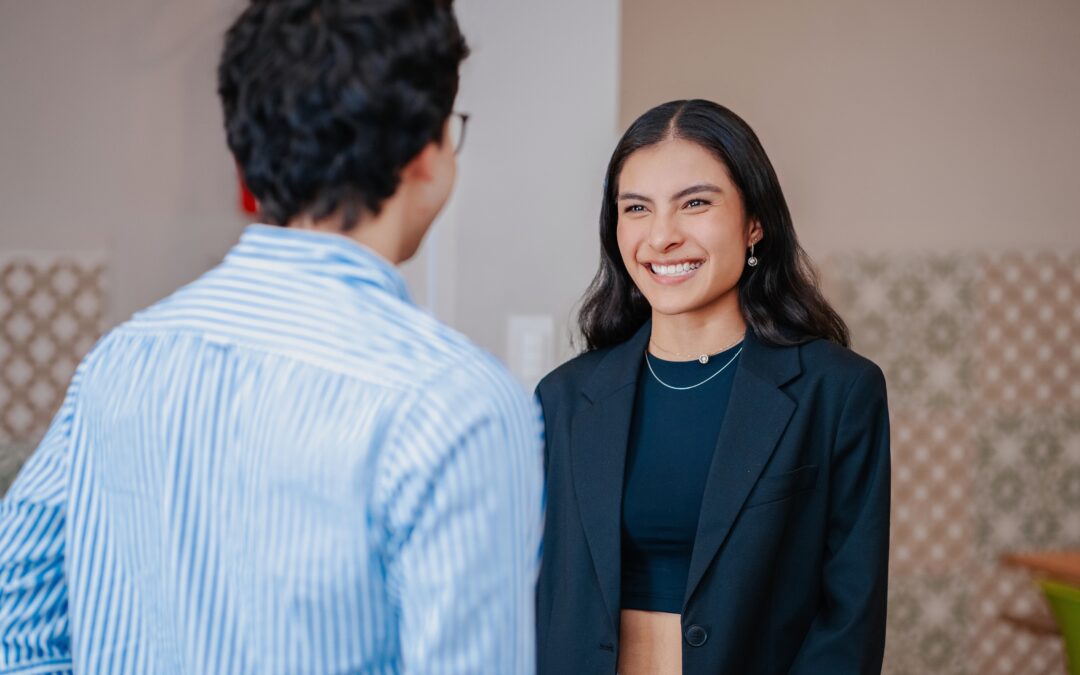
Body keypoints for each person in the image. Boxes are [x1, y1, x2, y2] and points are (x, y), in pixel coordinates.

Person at [0, 1, 543, 673]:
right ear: (424, 152)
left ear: (247, 154)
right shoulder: (460, 404)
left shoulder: (121, 360)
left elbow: (16, 616)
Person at [535, 99, 890, 675]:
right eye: (637, 209)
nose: (662, 236)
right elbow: (539, 599)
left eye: (695, 203)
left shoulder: (837, 393)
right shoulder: (564, 400)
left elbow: (848, 620)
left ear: (755, 221)